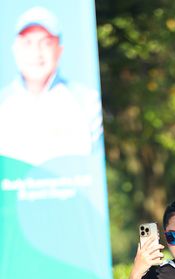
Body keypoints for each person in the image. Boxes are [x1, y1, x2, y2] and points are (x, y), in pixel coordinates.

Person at [0, 6, 102, 165]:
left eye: (46, 43)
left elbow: (94, 166)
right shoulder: (3, 102)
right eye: (27, 43)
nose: (36, 52)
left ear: (59, 50)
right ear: (15, 49)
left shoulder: (87, 101)